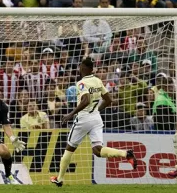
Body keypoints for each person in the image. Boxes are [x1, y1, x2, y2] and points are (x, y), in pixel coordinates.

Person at [50, 58, 137, 187]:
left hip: (83, 119)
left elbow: (85, 100)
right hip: (96, 119)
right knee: (97, 150)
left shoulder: (81, 83)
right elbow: (108, 100)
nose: (79, 69)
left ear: (83, 68)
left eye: (80, 67)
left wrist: (70, 114)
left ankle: (60, 179)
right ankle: (125, 153)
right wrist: (96, 110)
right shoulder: (97, 81)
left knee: (69, 149)